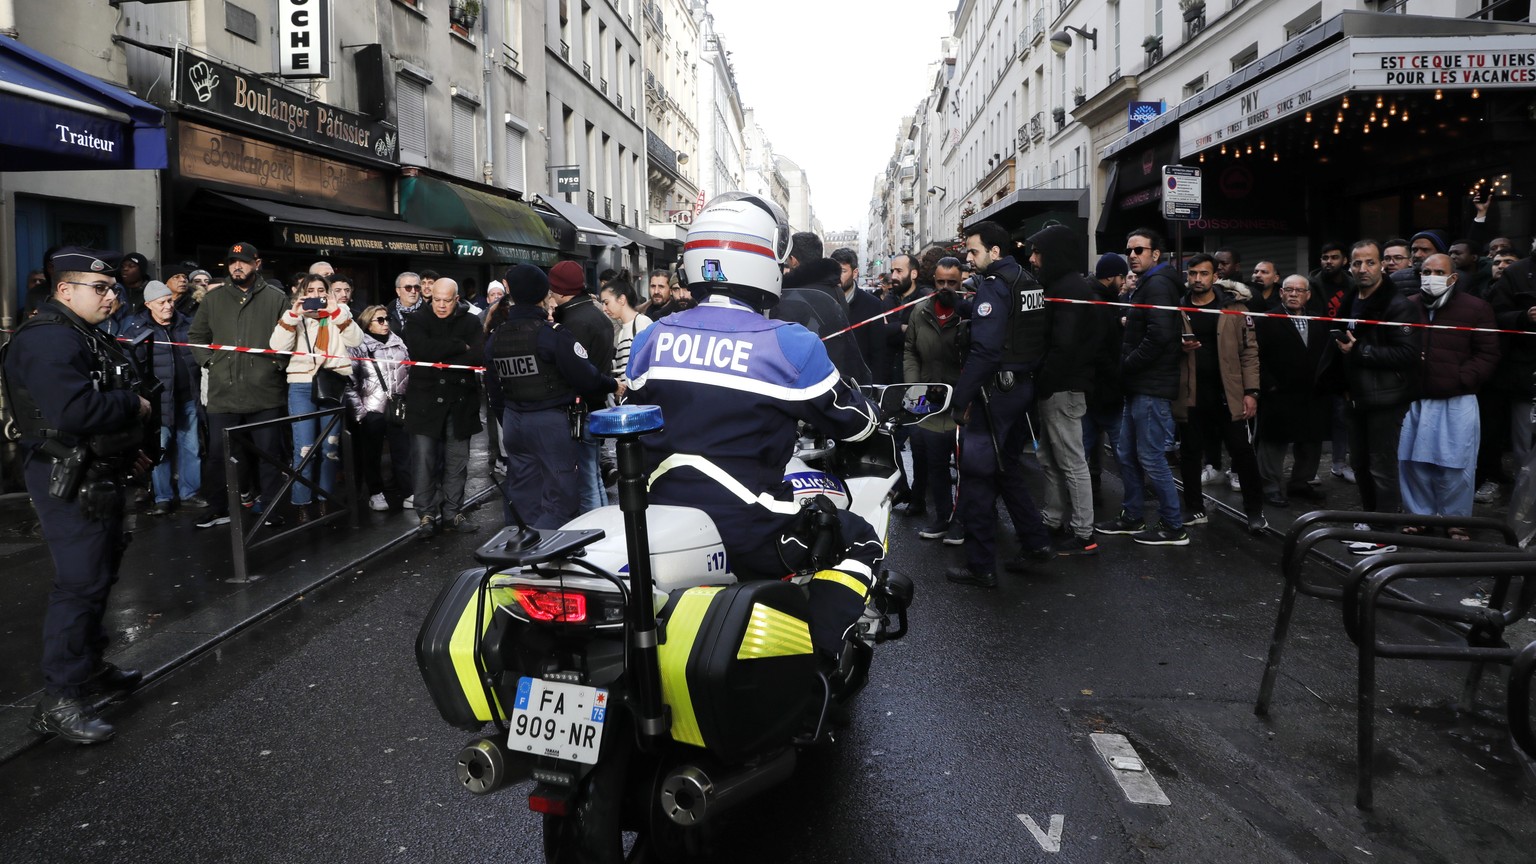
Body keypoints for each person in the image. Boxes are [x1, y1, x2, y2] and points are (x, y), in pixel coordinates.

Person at [626, 192, 881, 657]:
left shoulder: (654, 336)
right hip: (750, 527)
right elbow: (854, 423)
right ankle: (820, 663)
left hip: (657, 519)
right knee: (860, 537)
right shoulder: (790, 344)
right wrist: (873, 413)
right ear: (767, 264)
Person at [2, 247, 154, 743]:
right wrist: (133, 405)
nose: (111, 295)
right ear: (64, 290)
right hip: (66, 473)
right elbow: (75, 411)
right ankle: (58, 699)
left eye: (113, 288)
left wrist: (131, 447)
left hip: (99, 470)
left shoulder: (80, 333)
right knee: (79, 584)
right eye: (100, 288)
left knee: (101, 574)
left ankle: (87, 669)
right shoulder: (48, 339)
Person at [945, 220, 1056, 588]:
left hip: (994, 394)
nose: (968, 257)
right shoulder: (1027, 281)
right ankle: (1036, 542)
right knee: (1008, 469)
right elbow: (1018, 330)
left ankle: (980, 565)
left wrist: (960, 399)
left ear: (994, 251)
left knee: (977, 478)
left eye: (973, 250)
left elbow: (986, 349)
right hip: (1021, 387)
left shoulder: (995, 285)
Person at [490, 265, 622, 528]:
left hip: (514, 422)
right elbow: (586, 377)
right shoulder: (551, 336)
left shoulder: (496, 338)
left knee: (523, 491)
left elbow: (494, 390)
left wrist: (510, 420)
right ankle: (554, 556)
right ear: (543, 295)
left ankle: (525, 549)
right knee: (560, 494)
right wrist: (613, 385)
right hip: (549, 423)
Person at [1094, 228, 1188, 546]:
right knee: (1126, 453)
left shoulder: (1158, 284)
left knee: (1150, 457)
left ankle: (1174, 526)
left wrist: (1127, 363)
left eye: (1139, 250)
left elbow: (1159, 335)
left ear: (1156, 254)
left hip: (1151, 386)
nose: (1132, 255)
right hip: (1139, 385)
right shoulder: (1149, 284)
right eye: (1129, 250)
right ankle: (1132, 517)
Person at [189, 242, 290, 528]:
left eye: (243, 261)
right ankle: (219, 507)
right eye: (232, 261)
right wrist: (209, 363)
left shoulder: (275, 298)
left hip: (265, 393)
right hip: (224, 392)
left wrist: (275, 366)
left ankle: (270, 507)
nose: (237, 266)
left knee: (269, 455)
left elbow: (290, 337)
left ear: (257, 264)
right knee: (220, 457)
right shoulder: (214, 298)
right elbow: (196, 335)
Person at [1398, 253, 1499, 527]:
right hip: (1416, 398)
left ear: (1453, 277)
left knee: (1456, 463)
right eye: (1426, 271)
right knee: (1412, 462)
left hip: (1457, 399)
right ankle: (1419, 517)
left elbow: (1487, 354)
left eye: (1439, 272)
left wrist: (1461, 378)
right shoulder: (1407, 306)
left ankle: (1455, 521)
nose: (1431, 278)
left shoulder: (1476, 308)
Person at [1335, 240, 1423, 553]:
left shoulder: (1398, 305)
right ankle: (1371, 522)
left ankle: (1386, 534)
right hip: (1355, 396)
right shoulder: (1350, 300)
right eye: (1357, 264)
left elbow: (1408, 353)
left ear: (1381, 266)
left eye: (1370, 263)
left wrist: (1361, 350)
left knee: (1381, 465)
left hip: (1387, 398)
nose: (1363, 269)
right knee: (1359, 463)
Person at [1175, 254, 1266, 534]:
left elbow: (1249, 352)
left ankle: (1255, 513)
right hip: (1190, 393)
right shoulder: (1177, 307)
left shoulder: (1234, 307)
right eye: (1192, 274)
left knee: (1242, 452)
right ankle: (1194, 507)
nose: (1197, 279)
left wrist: (1251, 392)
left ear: (1215, 277)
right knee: (1190, 453)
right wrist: (1177, 347)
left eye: (1203, 274)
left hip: (1230, 394)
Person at [1029, 224, 1102, 555]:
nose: (1032, 258)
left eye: (1038, 252)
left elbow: (1064, 344)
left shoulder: (1068, 288)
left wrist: (1044, 381)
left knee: (1070, 460)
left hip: (1062, 387)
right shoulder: (1064, 284)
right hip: (1059, 386)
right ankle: (1053, 519)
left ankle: (1083, 533)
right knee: (1051, 457)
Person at [270, 273, 362, 522]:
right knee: (304, 449)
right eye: (310, 290)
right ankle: (302, 502)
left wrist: (336, 311)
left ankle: (325, 499)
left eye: (322, 290)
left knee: (330, 449)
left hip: (331, 385)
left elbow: (356, 340)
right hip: (301, 385)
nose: (317, 295)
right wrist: (293, 314)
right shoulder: (295, 316)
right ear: (302, 293)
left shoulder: (339, 313)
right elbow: (278, 346)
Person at [404, 278, 484, 536]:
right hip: (425, 402)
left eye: (446, 300)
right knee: (424, 461)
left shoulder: (471, 321)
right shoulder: (417, 320)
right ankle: (426, 515)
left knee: (457, 461)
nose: (440, 305)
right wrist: (458, 346)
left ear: (456, 298)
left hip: (460, 401)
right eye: (436, 299)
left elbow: (477, 356)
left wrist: (441, 352)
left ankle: (453, 513)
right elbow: (420, 349)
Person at [122, 280, 203, 515]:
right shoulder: (137, 330)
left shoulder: (187, 324)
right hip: (158, 402)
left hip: (187, 398)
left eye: (170, 300)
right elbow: (131, 366)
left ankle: (190, 493)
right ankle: (163, 497)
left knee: (191, 448)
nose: (168, 306)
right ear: (149, 305)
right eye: (162, 302)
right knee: (160, 451)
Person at [1254, 276, 1334, 508]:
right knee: (1273, 442)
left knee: (1311, 440)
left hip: (1313, 393)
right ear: (1281, 293)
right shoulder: (1268, 319)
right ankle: (1269, 486)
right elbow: (1256, 355)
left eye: (1299, 290)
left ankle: (1301, 482)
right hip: (1279, 391)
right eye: (1288, 289)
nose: (1293, 294)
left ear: (1308, 295)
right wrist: (1269, 384)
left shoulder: (1319, 320)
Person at [905, 256, 968, 545]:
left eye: (951, 282)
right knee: (937, 466)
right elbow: (910, 351)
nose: (945, 287)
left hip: (962, 401)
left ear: (961, 281)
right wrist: (915, 387)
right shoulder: (920, 312)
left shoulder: (970, 313)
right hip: (930, 402)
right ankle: (942, 517)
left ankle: (966, 521)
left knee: (968, 467)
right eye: (940, 282)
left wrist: (967, 393)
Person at [549, 260, 616, 513]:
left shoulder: (573, 321)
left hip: (579, 408)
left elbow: (574, 370)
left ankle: (593, 537)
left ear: (561, 290)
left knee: (587, 479)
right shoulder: (597, 314)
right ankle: (601, 528)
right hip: (595, 404)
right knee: (593, 475)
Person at [778, 231, 870, 382]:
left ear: (793, 260)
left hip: (803, 378)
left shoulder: (792, 294)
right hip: (834, 375)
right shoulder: (835, 289)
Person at [349, 304, 413, 512]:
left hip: (397, 408)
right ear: (368, 323)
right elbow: (350, 383)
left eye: (387, 319)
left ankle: (408, 492)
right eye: (380, 320)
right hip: (372, 410)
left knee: (403, 452)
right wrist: (360, 412)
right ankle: (375, 493)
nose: (386, 323)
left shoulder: (399, 343)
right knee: (372, 455)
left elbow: (408, 372)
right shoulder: (359, 346)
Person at [1085, 253, 1128, 495]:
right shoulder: (1099, 303)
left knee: (1086, 446)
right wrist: (1117, 378)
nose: (1123, 282)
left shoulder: (1102, 299)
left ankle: (1087, 491)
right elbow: (1099, 349)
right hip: (1104, 389)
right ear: (1111, 276)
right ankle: (1134, 501)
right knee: (1123, 452)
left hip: (1094, 389)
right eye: (1121, 277)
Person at [599, 278, 654, 383]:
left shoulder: (642, 323)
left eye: (606, 303)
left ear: (622, 299)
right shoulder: (623, 330)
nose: (604, 308)